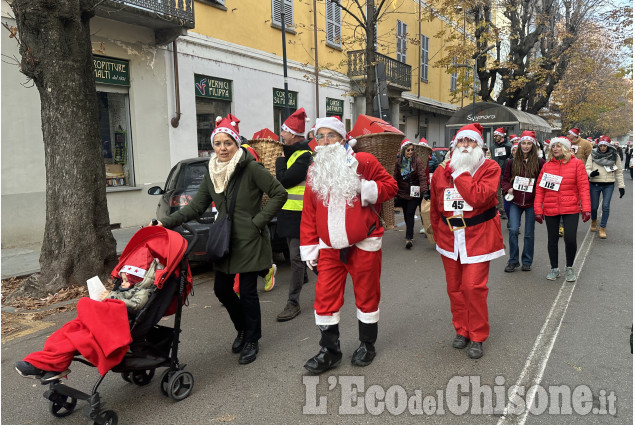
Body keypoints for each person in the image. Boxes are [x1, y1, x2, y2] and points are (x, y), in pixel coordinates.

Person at [153, 114, 287, 365]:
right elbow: (195, 207)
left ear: (237, 144)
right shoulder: (212, 172)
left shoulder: (251, 168)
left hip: (249, 239)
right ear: (212, 145)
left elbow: (279, 193)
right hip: (225, 239)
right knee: (222, 290)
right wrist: (165, 222)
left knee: (247, 292)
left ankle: (252, 339)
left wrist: (258, 221)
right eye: (218, 143)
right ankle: (243, 329)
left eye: (228, 143)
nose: (223, 148)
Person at [300, 116, 398, 373]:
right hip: (329, 247)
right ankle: (329, 351)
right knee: (324, 298)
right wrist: (310, 247)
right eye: (319, 136)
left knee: (367, 295)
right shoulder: (315, 169)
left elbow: (390, 187)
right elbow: (309, 211)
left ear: (342, 138)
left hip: (364, 243)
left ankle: (367, 344)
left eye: (330, 135)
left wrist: (364, 187)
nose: (324, 141)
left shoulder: (364, 162)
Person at [15, 248, 160, 381]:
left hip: (118, 324)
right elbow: (117, 297)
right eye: (122, 280)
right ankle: (44, 363)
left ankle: (43, 365)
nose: (123, 283)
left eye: (127, 281)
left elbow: (136, 304)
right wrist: (109, 296)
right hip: (106, 319)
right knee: (65, 333)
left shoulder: (143, 292)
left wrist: (111, 297)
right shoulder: (126, 289)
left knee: (78, 335)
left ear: (137, 280)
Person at [430, 123, 505, 359]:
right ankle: (461, 330)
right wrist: (437, 234)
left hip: (479, 237)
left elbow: (478, 197)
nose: (465, 146)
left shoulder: (490, 168)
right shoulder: (441, 172)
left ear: (479, 145)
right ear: (454, 144)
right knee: (455, 288)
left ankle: (478, 335)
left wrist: (461, 173)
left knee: (473, 287)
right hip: (449, 238)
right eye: (461, 141)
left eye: (470, 142)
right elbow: (435, 206)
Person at [275, 107, 314, 322]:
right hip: (289, 214)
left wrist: (280, 162)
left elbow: (285, 179)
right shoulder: (292, 152)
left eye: (284, 131)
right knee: (299, 259)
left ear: (293, 133)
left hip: (301, 215)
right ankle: (325, 280)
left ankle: (293, 302)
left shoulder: (304, 155)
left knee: (297, 259)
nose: (281, 134)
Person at [534, 137, 591, 282]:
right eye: (553, 146)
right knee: (552, 239)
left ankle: (569, 267)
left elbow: (583, 188)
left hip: (571, 207)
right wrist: (538, 210)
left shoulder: (577, 164)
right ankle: (554, 268)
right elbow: (540, 189)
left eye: (558, 146)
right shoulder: (547, 166)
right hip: (551, 207)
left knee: (570, 238)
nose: (555, 149)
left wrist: (586, 208)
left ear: (565, 148)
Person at [501, 131, 545, 272]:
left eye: (529, 143)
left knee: (528, 233)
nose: (526, 146)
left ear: (533, 145)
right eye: (523, 143)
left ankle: (527, 260)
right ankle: (513, 260)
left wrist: (537, 194)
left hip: (532, 203)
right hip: (516, 202)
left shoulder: (540, 162)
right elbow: (505, 180)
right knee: (513, 230)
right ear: (520, 145)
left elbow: (543, 181)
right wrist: (508, 189)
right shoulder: (511, 162)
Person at [586, 135, 625, 239]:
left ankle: (603, 227)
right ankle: (594, 220)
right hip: (595, 184)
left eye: (605, 145)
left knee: (606, 206)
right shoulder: (593, 154)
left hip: (609, 184)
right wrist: (591, 174)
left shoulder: (615, 155)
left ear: (608, 146)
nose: (603, 147)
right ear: (598, 145)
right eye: (601, 145)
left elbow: (619, 171)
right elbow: (587, 168)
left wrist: (621, 186)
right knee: (593, 207)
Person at [394, 138, 429, 249]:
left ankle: (409, 238)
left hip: (415, 192)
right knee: (406, 215)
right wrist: (393, 190)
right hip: (402, 192)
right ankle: (410, 232)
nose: (410, 152)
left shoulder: (417, 160)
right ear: (403, 150)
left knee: (410, 214)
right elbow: (395, 177)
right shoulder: (398, 162)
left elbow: (422, 176)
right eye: (408, 150)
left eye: (412, 150)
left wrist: (424, 191)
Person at [491, 127, 512, 219]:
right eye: (494, 136)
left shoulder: (509, 146)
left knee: (506, 191)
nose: (495, 137)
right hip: (496, 171)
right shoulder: (492, 147)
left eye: (496, 136)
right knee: (497, 191)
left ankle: (508, 209)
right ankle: (500, 209)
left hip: (506, 172)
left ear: (501, 135)